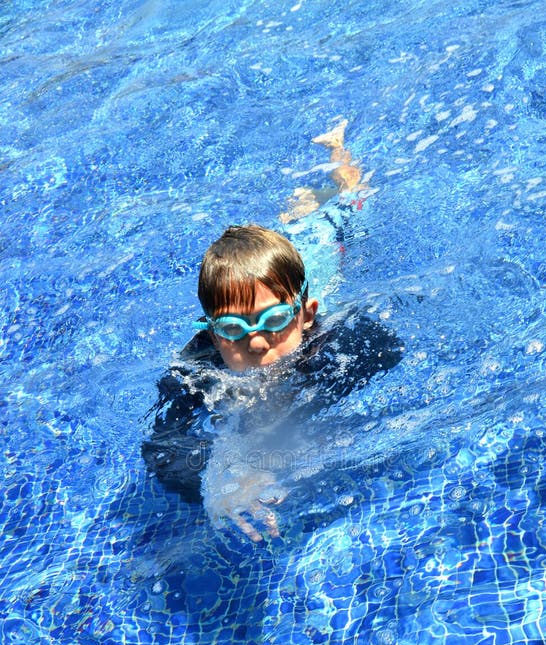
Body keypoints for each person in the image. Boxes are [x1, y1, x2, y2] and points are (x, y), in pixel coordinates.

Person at [142, 121, 402, 540]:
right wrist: (220, 484)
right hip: (277, 269)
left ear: (306, 315)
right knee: (297, 221)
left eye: (276, 320)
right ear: (213, 334)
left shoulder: (332, 340)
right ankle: (300, 208)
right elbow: (162, 447)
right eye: (233, 327)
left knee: (352, 201)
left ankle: (338, 154)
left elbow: (388, 351)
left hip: (326, 244)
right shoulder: (194, 370)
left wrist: (283, 443)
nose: (258, 341)